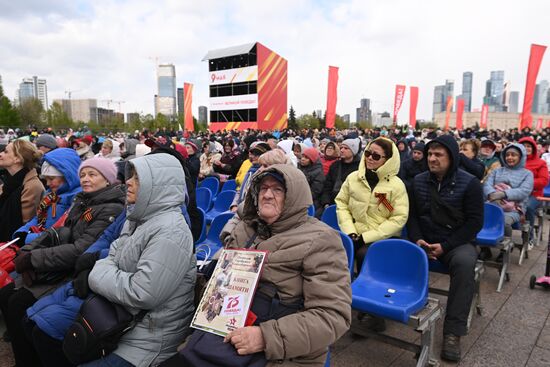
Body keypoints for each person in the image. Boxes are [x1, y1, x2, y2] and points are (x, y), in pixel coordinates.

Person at [162, 164, 351, 366]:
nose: (268, 195)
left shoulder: (321, 240)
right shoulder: (246, 227)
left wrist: (265, 337)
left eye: (278, 189)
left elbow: (332, 315)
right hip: (216, 334)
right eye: (263, 188)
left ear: (295, 196)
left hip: (272, 351)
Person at [0, 157, 125, 367]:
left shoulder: (110, 208)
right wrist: (28, 251)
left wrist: (33, 259)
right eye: (83, 174)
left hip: (71, 270)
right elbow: (56, 231)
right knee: (7, 295)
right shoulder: (83, 200)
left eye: (93, 174)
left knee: (18, 304)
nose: (85, 179)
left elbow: (80, 250)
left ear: (108, 180)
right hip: (58, 263)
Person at [80, 153, 196, 367]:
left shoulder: (171, 231)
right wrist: (108, 267)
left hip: (149, 339)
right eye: (130, 176)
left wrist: (96, 274)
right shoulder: (139, 218)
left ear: (159, 186)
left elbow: (142, 293)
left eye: (138, 179)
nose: (128, 182)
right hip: (126, 323)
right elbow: (114, 251)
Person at [406, 135, 484, 362]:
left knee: (464, 263)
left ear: (451, 157)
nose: (432, 158)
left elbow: (474, 223)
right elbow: (412, 217)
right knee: (394, 252)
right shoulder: (419, 181)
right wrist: (417, 239)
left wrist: (446, 246)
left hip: (456, 242)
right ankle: (379, 312)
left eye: (438, 154)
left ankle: (453, 332)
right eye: (430, 154)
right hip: (424, 240)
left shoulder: (469, 183)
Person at [335, 137, 409, 273]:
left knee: (365, 255)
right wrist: (350, 231)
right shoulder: (353, 178)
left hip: (383, 237)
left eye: (376, 156)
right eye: (368, 153)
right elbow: (342, 204)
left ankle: (364, 290)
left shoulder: (397, 185)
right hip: (354, 232)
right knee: (335, 253)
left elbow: (398, 218)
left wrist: (366, 237)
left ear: (388, 160)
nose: (369, 158)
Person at [12, 148, 81, 246]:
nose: (48, 183)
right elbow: (38, 219)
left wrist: (28, 238)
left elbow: (64, 233)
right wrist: (22, 232)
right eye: (46, 179)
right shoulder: (50, 194)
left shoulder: (78, 198)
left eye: (51, 178)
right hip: (38, 242)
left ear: (67, 175)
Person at [481, 143, 533, 260]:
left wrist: (503, 194)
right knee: (478, 219)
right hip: (493, 203)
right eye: (507, 155)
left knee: (503, 222)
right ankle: (485, 249)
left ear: (521, 157)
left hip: (515, 208)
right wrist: (491, 194)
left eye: (513, 155)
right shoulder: (497, 171)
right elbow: (487, 184)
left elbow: (524, 191)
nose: (509, 157)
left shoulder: (527, 174)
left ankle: (505, 249)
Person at [0, 140, 45, 243]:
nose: (1, 154)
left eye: (6, 152)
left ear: (18, 158)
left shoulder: (32, 187)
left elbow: (24, 226)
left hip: (10, 247)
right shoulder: (8, 183)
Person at [519, 136, 549, 241]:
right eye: (523, 146)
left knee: (528, 207)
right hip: (516, 193)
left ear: (533, 148)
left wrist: (525, 184)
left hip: (534, 195)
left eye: (529, 146)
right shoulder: (515, 160)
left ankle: (529, 237)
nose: (526, 148)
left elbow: (544, 181)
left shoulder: (541, 163)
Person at [319, 138, 361, 212]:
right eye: (341, 148)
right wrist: (326, 202)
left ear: (353, 151)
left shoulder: (360, 168)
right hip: (331, 202)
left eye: (346, 148)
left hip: (349, 206)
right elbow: (327, 186)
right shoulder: (335, 165)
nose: (342, 150)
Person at [230, 142, 271, 211]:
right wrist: (234, 205)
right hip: (239, 208)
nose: (252, 156)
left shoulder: (266, 174)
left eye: (257, 155)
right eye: (252, 154)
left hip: (251, 212)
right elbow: (240, 189)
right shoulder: (250, 170)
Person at [298, 147, 325, 211]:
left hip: (310, 201)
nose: (302, 159)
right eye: (302, 156)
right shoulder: (299, 167)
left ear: (312, 160)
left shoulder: (318, 173)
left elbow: (315, 191)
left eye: (306, 158)